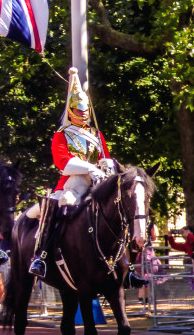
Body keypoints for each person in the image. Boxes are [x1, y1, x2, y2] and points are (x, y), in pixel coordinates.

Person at [28, 68, 147, 288]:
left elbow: (106, 158)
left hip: (99, 184)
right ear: (70, 110)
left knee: (120, 213)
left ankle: (127, 268)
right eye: (78, 109)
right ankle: (41, 257)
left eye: (85, 109)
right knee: (59, 206)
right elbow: (62, 162)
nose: (83, 113)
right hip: (74, 184)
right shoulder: (61, 134)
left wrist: (107, 165)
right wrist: (88, 168)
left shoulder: (97, 135)